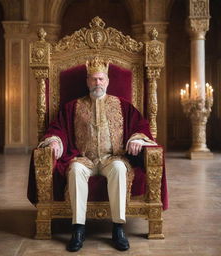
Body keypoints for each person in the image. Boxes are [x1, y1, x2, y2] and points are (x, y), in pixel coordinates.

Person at [37, 57, 156, 252]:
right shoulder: (72, 107)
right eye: (93, 79)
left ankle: (118, 227)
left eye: (101, 79)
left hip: (113, 157)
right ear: (87, 81)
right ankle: (78, 228)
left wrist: (137, 139)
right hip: (84, 158)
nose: (97, 83)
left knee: (119, 168)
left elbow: (141, 126)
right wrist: (54, 141)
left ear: (107, 81)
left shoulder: (123, 105)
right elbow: (58, 128)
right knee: (75, 170)